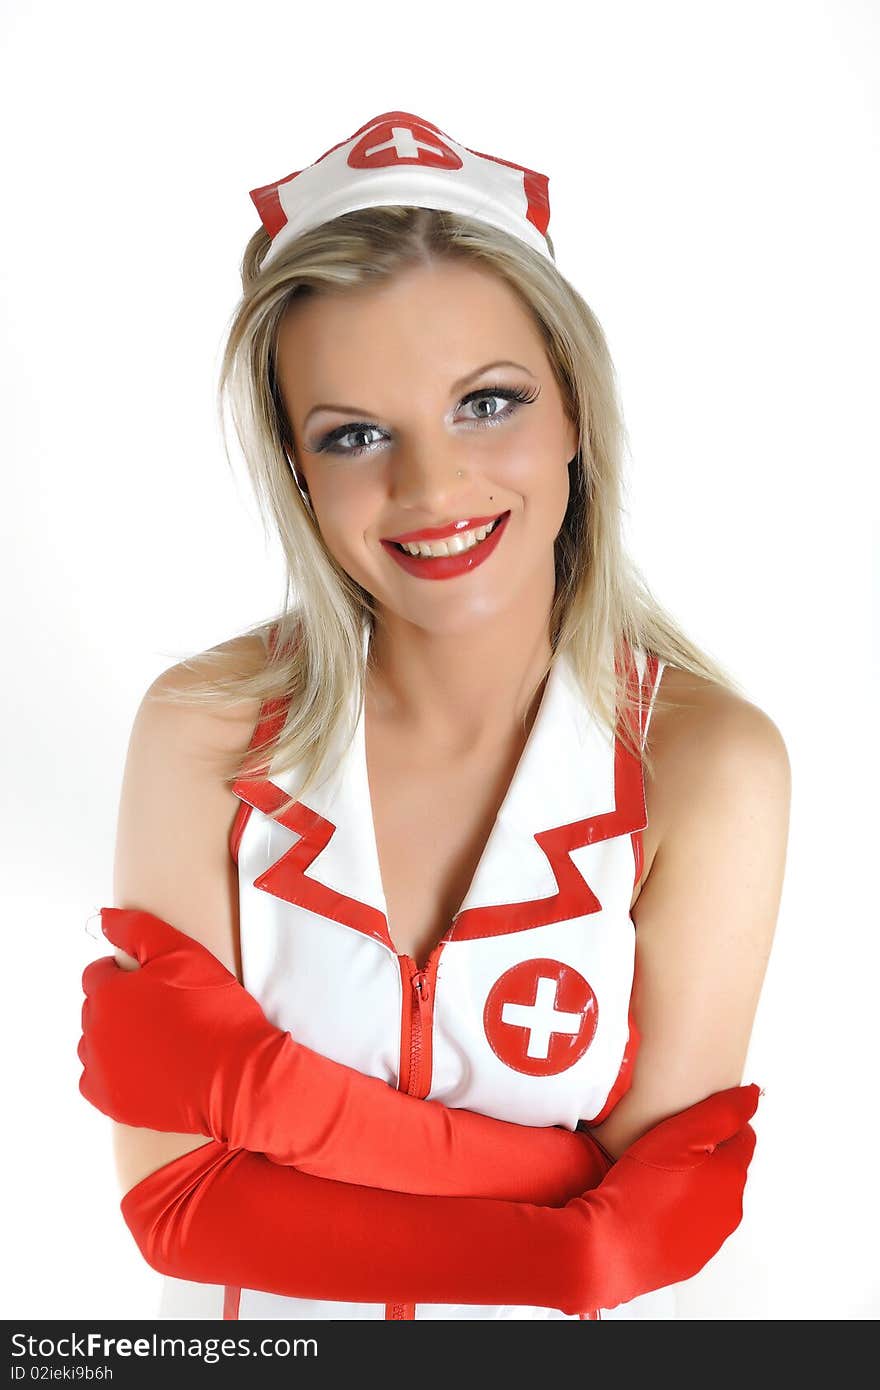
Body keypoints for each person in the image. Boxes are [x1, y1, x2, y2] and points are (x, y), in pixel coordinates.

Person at [78, 110, 790, 1321]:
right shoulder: (203, 731)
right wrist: (569, 1213)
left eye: (488, 402)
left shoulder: (707, 765)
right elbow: (182, 1208)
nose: (430, 488)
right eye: (355, 434)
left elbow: (638, 1250)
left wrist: (265, 1095)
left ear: (573, 410)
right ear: (299, 473)